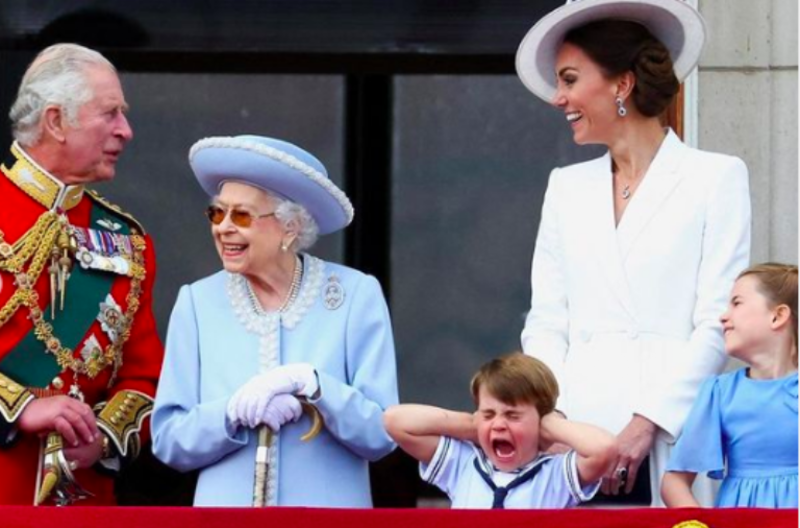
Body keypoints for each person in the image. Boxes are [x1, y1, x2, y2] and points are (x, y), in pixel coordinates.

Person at [515, 0, 751, 506]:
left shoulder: (716, 178)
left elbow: (716, 322)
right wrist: (551, 419)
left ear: (621, 84)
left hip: (671, 431)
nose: (559, 98)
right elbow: (546, 321)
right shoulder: (565, 187)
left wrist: (649, 422)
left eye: (570, 79)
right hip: (573, 436)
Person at [151, 135, 399, 507]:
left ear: (291, 227)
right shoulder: (197, 302)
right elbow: (169, 441)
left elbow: (381, 435)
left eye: (242, 215)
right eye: (217, 213)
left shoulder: (354, 295)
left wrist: (315, 387)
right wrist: (231, 412)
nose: (223, 227)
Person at [0, 43, 163, 505]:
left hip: (83, 500)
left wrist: (104, 439)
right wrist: (20, 408)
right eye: (110, 113)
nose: (126, 131)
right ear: (56, 121)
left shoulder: (128, 241)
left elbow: (146, 378)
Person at [384, 352, 617, 508]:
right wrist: (471, 426)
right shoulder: (463, 465)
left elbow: (605, 449)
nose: (498, 424)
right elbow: (395, 421)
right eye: (488, 413)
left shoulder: (554, 475)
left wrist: (549, 425)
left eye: (512, 415)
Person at [662, 263, 798, 508]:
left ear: (777, 316)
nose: (723, 316)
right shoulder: (720, 393)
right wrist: (700, 525)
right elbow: (674, 482)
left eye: (736, 303)